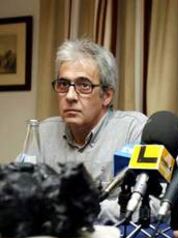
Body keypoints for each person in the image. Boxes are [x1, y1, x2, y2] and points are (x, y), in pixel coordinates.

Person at [38, 39, 147, 222]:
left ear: (106, 96)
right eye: (63, 84)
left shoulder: (134, 129)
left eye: (84, 86)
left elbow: (153, 203)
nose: (70, 96)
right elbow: (19, 192)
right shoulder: (43, 132)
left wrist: (84, 211)